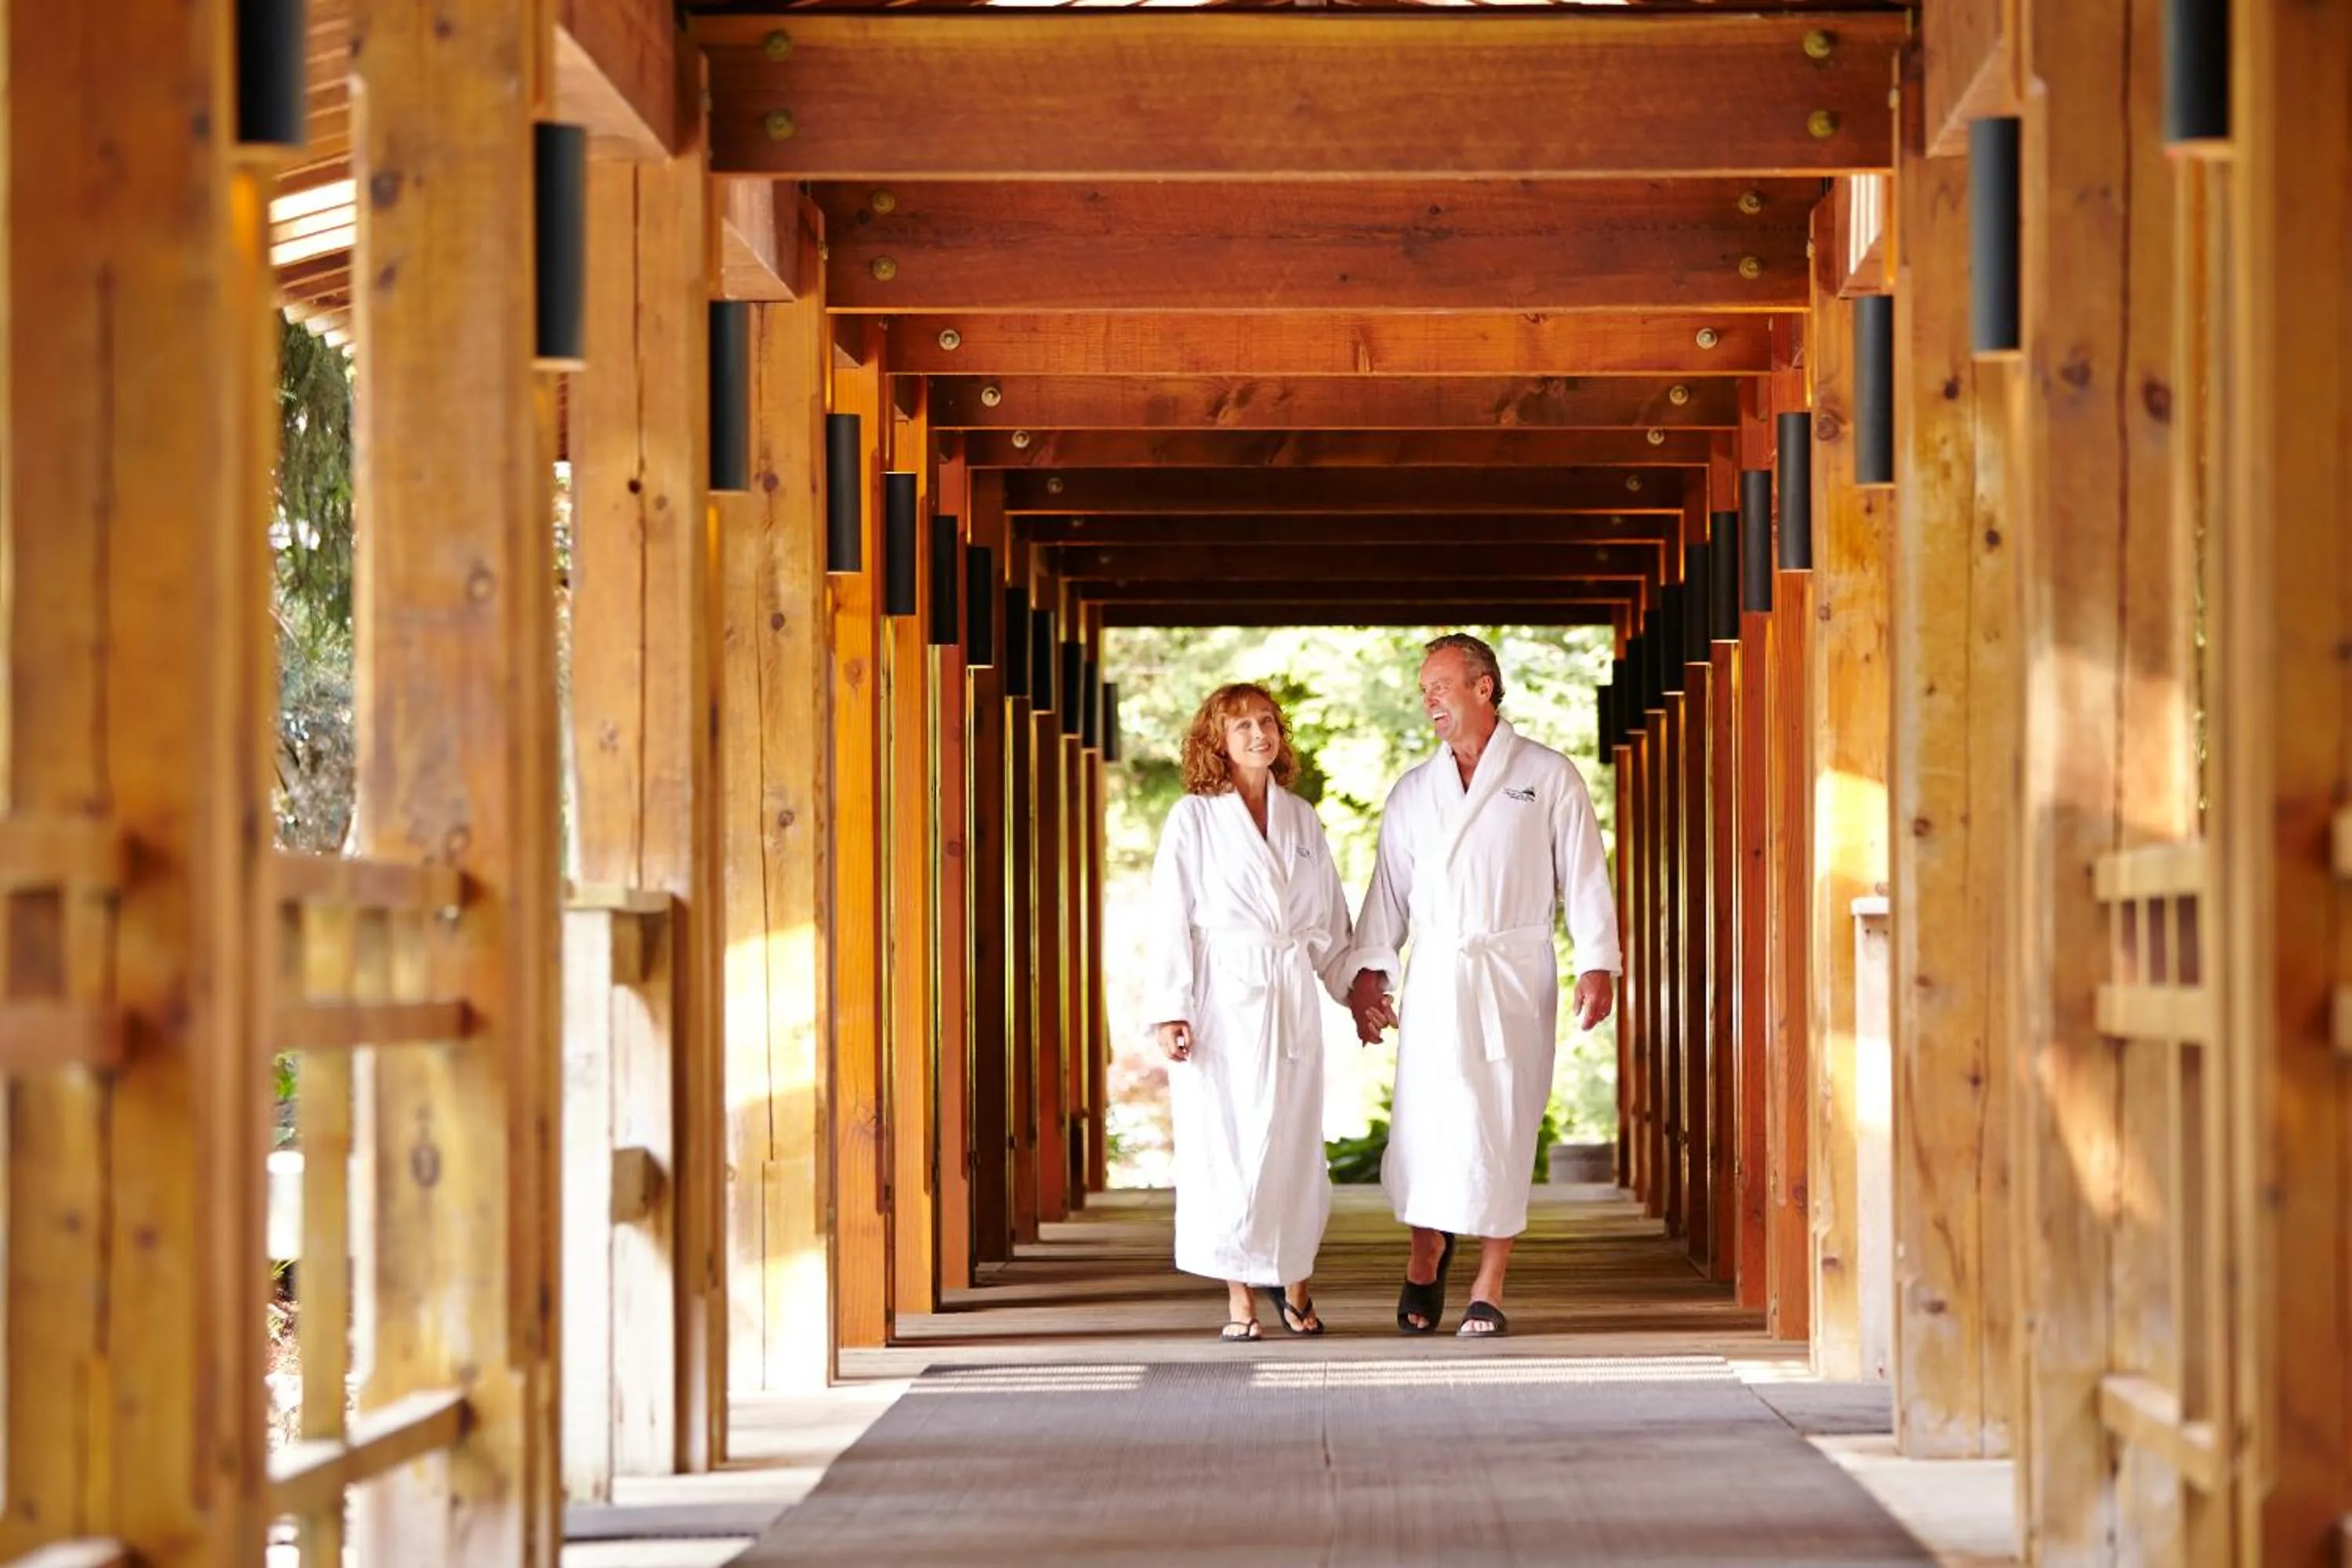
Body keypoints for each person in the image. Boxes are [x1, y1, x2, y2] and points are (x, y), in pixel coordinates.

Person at [1345, 633, 1620, 1338]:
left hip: (1511, 970)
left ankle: (1490, 1282)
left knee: (1503, 1120)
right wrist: (1370, 977)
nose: (1428, 699)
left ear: (1484, 688)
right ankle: (1426, 1248)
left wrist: (1598, 961)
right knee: (1425, 1124)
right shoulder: (1412, 792)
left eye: (1439, 685)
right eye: (1423, 689)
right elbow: (1389, 897)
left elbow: (1585, 875)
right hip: (1439, 974)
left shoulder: (1547, 775)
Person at [1143, 682, 1358, 1341]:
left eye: (1267, 723)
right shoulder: (1194, 818)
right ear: (1218, 741)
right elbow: (1169, 917)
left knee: (1293, 1147)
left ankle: (1295, 1284)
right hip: (1224, 1001)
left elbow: (1328, 922)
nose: (1259, 735)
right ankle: (1240, 1295)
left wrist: (1356, 991)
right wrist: (1170, 1009)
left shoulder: (1301, 818)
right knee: (1228, 1147)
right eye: (1242, 727)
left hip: (1289, 996)